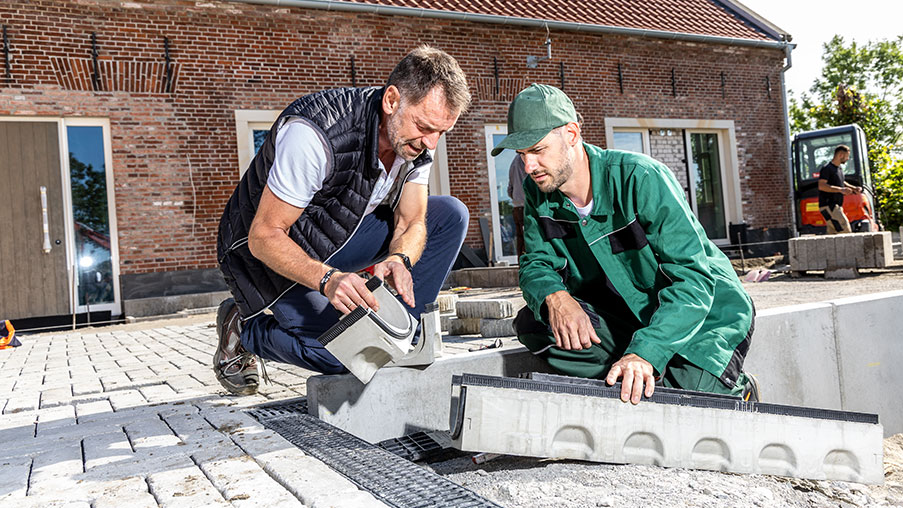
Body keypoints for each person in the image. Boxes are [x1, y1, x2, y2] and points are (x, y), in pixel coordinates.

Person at [214, 46, 472, 395]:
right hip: (265, 254)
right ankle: (245, 331)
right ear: (392, 100)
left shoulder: (415, 144)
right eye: (425, 127)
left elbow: (412, 221)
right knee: (346, 355)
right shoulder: (315, 135)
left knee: (450, 215)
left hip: (338, 234)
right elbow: (263, 235)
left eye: (442, 132)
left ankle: (398, 335)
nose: (431, 143)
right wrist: (328, 279)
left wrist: (399, 259)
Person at [492, 84, 758, 404]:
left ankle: (734, 389)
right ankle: (632, 371)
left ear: (572, 134)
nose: (529, 166)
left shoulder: (641, 178)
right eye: (521, 155)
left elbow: (694, 280)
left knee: (688, 405)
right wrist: (555, 295)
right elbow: (536, 263)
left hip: (705, 314)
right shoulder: (538, 194)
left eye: (537, 150)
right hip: (628, 315)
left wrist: (646, 352)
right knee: (537, 322)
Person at [818, 145, 861, 234]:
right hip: (829, 205)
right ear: (841, 155)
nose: (848, 158)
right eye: (847, 156)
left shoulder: (839, 169)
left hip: (836, 206)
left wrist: (853, 188)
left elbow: (841, 181)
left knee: (833, 234)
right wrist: (841, 190)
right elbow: (822, 186)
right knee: (845, 229)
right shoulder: (827, 168)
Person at [507, 156, 528, 257]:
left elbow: (510, 190)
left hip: (517, 208)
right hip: (527, 207)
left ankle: (522, 268)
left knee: (521, 239)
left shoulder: (513, 163)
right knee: (529, 240)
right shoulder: (526, 160)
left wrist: (516, 197)